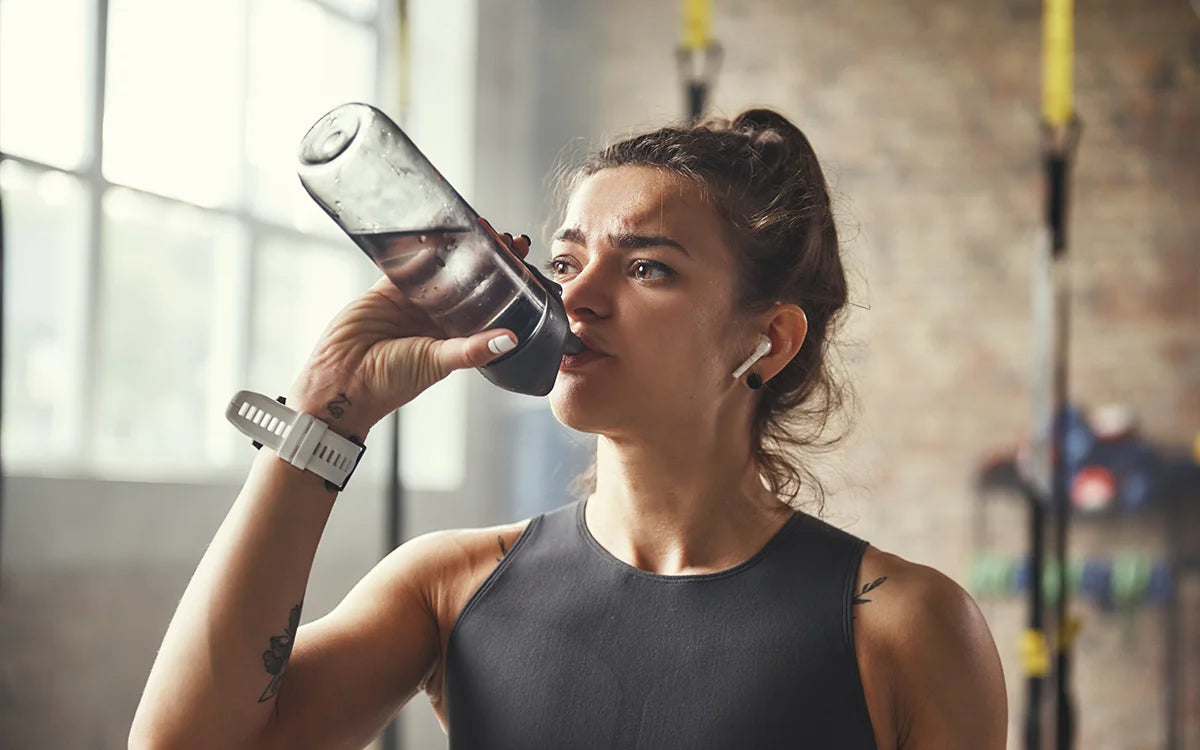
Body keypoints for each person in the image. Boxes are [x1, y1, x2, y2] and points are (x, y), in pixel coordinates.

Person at [130, 109, 1007, 749]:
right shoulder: (451, 586)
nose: (577, 296)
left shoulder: (902, 624)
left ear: (765, 339)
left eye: (648, 267)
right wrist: (329, 410)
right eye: (562, 262)